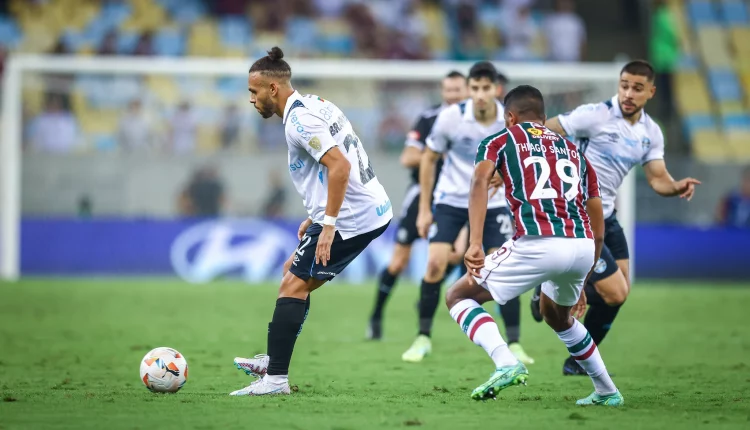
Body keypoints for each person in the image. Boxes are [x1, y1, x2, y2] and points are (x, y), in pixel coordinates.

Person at [446, 84, 623, 406]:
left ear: (510, 117)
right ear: (543, 118)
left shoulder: (500, 140)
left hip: (539, 241)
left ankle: (505, 362)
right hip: (582, 247)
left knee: (458, 296)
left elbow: (479, 181)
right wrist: (583, 276)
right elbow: (597, 222)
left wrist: (474, 242)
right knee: (558, 316)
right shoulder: (575, 152)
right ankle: (607, 391)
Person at [229, 47, 392, 396]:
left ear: (273, 89)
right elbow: (338, 161)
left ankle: (275, 380)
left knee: (293, 286)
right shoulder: (316, 103)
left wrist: (328, 223)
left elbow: (340, 166)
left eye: (253, 92)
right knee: (292, 273)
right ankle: (274, 360)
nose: (252, 100)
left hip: (352, 218)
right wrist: (316, 215)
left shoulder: (300, 122)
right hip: (362, 208)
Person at [529, 60, 701, 375]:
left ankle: (550, 294)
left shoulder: (651, 132)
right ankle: (573, 341)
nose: (628, 93)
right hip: (577, 214)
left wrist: (676, 186)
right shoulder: (594, 115)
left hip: (606, 216)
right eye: (624, 85)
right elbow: (541, 129)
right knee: (616, 291)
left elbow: (657, 178)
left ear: (651, 91)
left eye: (637, 88)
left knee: (618, 294)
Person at [402, 61, 533, 365]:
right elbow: (428, 159)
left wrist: (505, 173)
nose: (480, 94)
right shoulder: (451, 118)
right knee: (434, 264)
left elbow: (522, 158)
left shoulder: (507, 119)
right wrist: (424, 209)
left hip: (495, 204)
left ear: (496, 89)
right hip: (451, 200)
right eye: (475, 88)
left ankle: (514, 343)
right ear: (469, 89)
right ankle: (422, 337)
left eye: (486, 88)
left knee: (503, 267)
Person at [367, 70, 468, 340]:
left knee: (457, 254)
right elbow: (407, 157)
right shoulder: (429, 118)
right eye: (448, 90)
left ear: (467, 91)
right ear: (443, 92)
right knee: (399, 262)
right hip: (423, 193)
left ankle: (427, 294)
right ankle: (376, 316)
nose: (453, 96)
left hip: (457, 198)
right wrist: (435, 154)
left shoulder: (477, 121)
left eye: (458, 90)